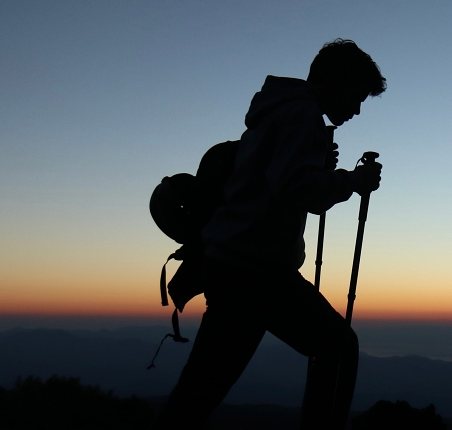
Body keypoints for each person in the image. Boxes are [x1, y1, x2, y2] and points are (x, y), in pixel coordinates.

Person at [151, 39, 385, 430]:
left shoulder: (278, 110)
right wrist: (354, 181)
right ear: (335, 81)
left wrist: (323, 170)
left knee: (201, 389)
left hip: (232, 264)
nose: (358, 108)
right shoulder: (303, 115)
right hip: (256, 273)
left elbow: (272, 180)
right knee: (339, 347)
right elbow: (296, 188)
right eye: (357, 96)